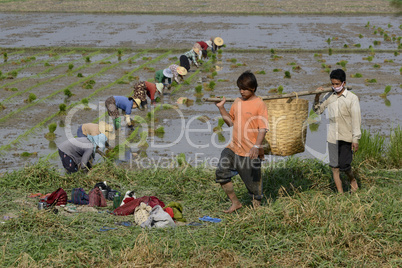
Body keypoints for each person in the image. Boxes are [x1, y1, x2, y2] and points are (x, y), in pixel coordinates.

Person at [214, 71, 269, 213]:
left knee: (254, 189)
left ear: (253, 89)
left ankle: (257, 213)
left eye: (244, 89)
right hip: (233, 147)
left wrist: (256, 147)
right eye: (240, 88)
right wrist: (221, 108)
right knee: (221, 172)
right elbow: (230, 122)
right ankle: (235, 203)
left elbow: (263, 128)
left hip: (250, 151)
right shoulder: (237, 101)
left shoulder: (259, 104)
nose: (241, 91)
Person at [313, 69, 361, 193]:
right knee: (334, 167)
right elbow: (318, 110)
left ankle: (352, 179)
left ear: (343, 83)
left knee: (345, 166)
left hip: (346, 136)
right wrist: (317, 96)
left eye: (337, 84)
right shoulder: (328, 96)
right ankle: (340, 194)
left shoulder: (352, 98)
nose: (334, 87)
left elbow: (356, 120)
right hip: (332, 137)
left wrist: (355, 139)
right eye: (332, 84)